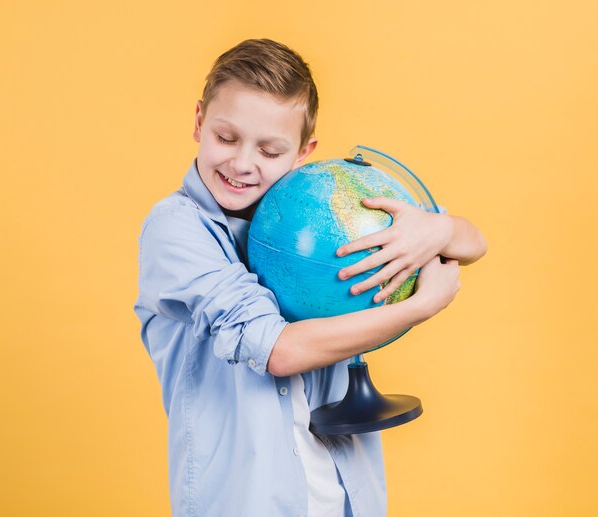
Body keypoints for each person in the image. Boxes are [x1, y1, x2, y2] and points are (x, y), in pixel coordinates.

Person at [134, 39, 486, 517]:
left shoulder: (319, 208)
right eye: (226, 137)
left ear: (304, 152)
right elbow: (277, 350)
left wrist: (437, 229)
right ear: (199, 122)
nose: (241, 163)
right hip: (245, 501)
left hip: (344, 497)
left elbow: (473, 243)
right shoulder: (176, 229)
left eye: (269, 149)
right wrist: (418, 307)